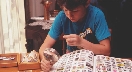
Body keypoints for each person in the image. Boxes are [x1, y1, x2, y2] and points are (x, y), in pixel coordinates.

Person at [39, 0, 111, 71]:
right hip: (72, 63)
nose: (70, 15)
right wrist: (44, 60)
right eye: (66, 10)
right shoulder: (61, 17)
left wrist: (81, 42)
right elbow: (44, 46)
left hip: (95, 63)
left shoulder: (96, 15)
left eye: (75, 11)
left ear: (87, 3)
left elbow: (106, 50)